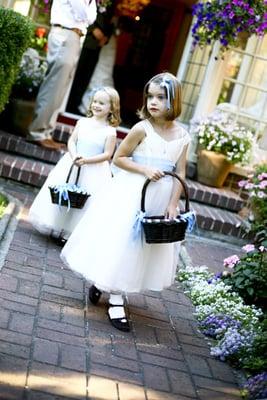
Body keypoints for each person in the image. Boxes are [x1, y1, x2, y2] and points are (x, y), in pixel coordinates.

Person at [61, 72, 191, 332]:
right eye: (150, 96)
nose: (153, 102)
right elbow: (119, 158)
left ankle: (103, 281)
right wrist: (144, 170)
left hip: (159, 196)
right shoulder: (142, 128)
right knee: (123, 243)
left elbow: (181, 172)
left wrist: (173, 203)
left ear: (174, 100)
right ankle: (117, 300)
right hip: (133, 191)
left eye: (161, 97)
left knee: (142, 246)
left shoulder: (183, 136)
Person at [28, 87, 120, 244]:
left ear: (112, 108)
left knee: (85, 201)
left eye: (102, 103)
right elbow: (71, 141)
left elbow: (107, 155)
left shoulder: (110, 131)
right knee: (65, 193)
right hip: (73, 163)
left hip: (93, 169)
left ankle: (70, 232)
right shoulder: (82, 122)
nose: (97, 105)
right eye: (95, 102)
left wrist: (87, 160)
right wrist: (74, 154)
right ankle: (57, 226)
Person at [27, 0, 97, 151]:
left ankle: (46, 133)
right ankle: (37, 133)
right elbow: (83, 13)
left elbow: (91, 18)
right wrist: (86, 12)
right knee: (54, 86)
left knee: (60, 89)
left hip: (74, 37)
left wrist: (87, 10)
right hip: (65, 34)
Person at [66, 7, 115, 115]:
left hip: (97, 48)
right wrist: (92, 29)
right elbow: (81, 13)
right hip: (86, 43)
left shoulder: (111, 5)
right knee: (76, 74)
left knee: (86, 77)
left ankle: (76, 104)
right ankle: (68, 104)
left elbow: (111, 24)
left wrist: (106, 37)